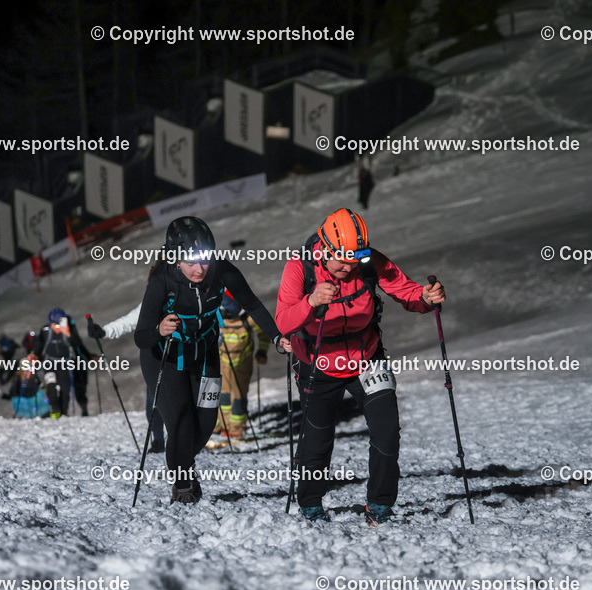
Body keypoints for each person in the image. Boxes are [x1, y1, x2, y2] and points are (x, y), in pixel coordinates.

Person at [276, 208, 445, 525]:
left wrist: (426, 297)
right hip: (318, 361)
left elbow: (406, 292)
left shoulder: (368, 261)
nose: (348, 267)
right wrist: (310, 302)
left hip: (367, 358)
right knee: (318, 437)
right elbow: (283, 321)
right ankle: (310, 503)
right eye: (341, 260)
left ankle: (380, 504)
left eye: (354, 260)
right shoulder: (299, 267)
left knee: (387, 430)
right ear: (325, 248)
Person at [133, 216, 290, 505]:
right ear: (175, 257)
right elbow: (141, 337)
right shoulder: (162, 279)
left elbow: (252, 304)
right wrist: (159, 330)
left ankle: (183, 460)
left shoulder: (223, 271)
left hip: (204, 354)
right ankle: (182, 486)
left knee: (205, 426)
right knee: (181, 423)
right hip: (165, 357)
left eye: (204, 260)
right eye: (191, 262)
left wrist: (277, 337)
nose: (200, 269)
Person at [87, 304, 166, 453]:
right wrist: (104, 331)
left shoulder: (184, 296)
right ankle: (158, 440)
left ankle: (185, 441)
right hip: (155, 360)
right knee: (153, 403)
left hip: (181, 360)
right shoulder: (152, 299)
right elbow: (129, 321)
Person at [210, 291, 270, 444]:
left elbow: (264, 334)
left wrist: (261, 352)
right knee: (222, 395)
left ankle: (236, 431)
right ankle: (221, 426)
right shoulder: (216, 316)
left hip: (242, 362)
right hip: (222, 362)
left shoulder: (248, 318)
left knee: (238, 396)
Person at [31, 309, 93, 417]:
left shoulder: (68, 329)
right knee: (51, 386)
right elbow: (39, 344)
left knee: (65, 389)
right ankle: (55, 411)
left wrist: (68, 334)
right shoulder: (45, 330)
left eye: (59, 325)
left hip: (65, 364)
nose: (57, 328)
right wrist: (35, 355)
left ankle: (64, 413)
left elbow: (77, 343)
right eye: (55, 325)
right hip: (50, 363)